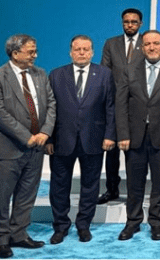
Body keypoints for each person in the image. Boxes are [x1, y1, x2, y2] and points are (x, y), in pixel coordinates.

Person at [115, 30, 160, 242]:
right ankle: (133, 222)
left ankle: (156, 222)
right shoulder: (129, 70)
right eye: (147, 44)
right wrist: (123, 134)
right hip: (134, 137)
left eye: (156, 43)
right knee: (134, 184)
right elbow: (121, 104)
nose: (152, 47)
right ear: (142, 47)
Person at [47, 35, 116, 244]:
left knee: (90, 185)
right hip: (61, 140)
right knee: (59, 186)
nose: (82, 53)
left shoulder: (104, 74)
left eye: (86, 49)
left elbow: (110, 107)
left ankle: (84, 225)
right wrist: (48, 139)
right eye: (77, 49)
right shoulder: (56, 75)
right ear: (70, 52)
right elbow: (49, 109)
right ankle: (60, 226)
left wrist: (109, 135)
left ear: (92, 52)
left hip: (94, 138)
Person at [0, 34, 56, 258]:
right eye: (30, 52)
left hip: (37, 147)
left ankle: (19, 234)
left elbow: (51, 104)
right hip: (9, 148)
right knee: (2, 196)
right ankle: (1, 238)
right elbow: (0, 113)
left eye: (35, 51)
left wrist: (45, 132)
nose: (35, 55)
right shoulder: (1, 76)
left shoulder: (40, 74)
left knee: (27, 195)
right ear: (15, 54)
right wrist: (26, 137)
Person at [99, 8, 145, 205]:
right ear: (122, 23)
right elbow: (105, 72)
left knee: (134, 152)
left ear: (140, 24)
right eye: (126, 22)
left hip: (139, 105)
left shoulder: (147, 43)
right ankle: (111, 189)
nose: (130, 25)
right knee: (112, 151)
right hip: (114, 103)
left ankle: (134, 192)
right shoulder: (111, 43)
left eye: (134, 22)